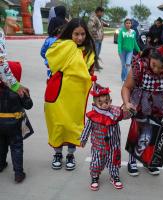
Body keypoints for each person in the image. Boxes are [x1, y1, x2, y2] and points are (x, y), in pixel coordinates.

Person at [45, 18, 96, 171]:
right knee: (58, 123)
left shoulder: (88, 51)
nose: (80, 38)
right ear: (69, 33)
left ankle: (70, 155)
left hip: (76, 95)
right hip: (59, 91)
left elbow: (90, 72)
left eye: (83, 34)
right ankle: (58, 154)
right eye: (76, 34)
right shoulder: (61, 46)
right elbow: (50, 62)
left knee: (73, 125)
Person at [121, 45, 163, 176]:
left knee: (154, 133)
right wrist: (127, 103)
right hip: (140, 103)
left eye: (161, 67)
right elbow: (126, 87)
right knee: (137, 131)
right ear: (150, 58)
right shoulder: (140, 66)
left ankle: (149, 160)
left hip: (159, 106)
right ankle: (132, 160)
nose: (157, 70)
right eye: (154, 65)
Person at [80, 81, 131, 190]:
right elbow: (87, 128)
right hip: (98, 145)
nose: (104, 104)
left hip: (114, 145)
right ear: (94, 103)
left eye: (106, 101)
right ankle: (95, 177)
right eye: (100, 102)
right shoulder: (93, 115)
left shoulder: (115, 111)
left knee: (114, 161)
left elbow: (125, 115)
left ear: (110, 101)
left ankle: (114, 176)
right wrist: (83, 138)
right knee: (96, 161)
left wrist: (130, 110)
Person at [0, 28, 32, 183]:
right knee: (16, 147)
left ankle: (0, 164)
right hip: (15, 124)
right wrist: (25, 94)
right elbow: (29, 105)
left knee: (1, 145)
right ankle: (18, 173)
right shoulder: (19, 91)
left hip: (0, 124)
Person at [41, 5, 67, 79]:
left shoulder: (54, 19)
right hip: (63, 47)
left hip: (51, 60)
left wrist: (47, 57)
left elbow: (43, 52)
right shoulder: (65, 22)